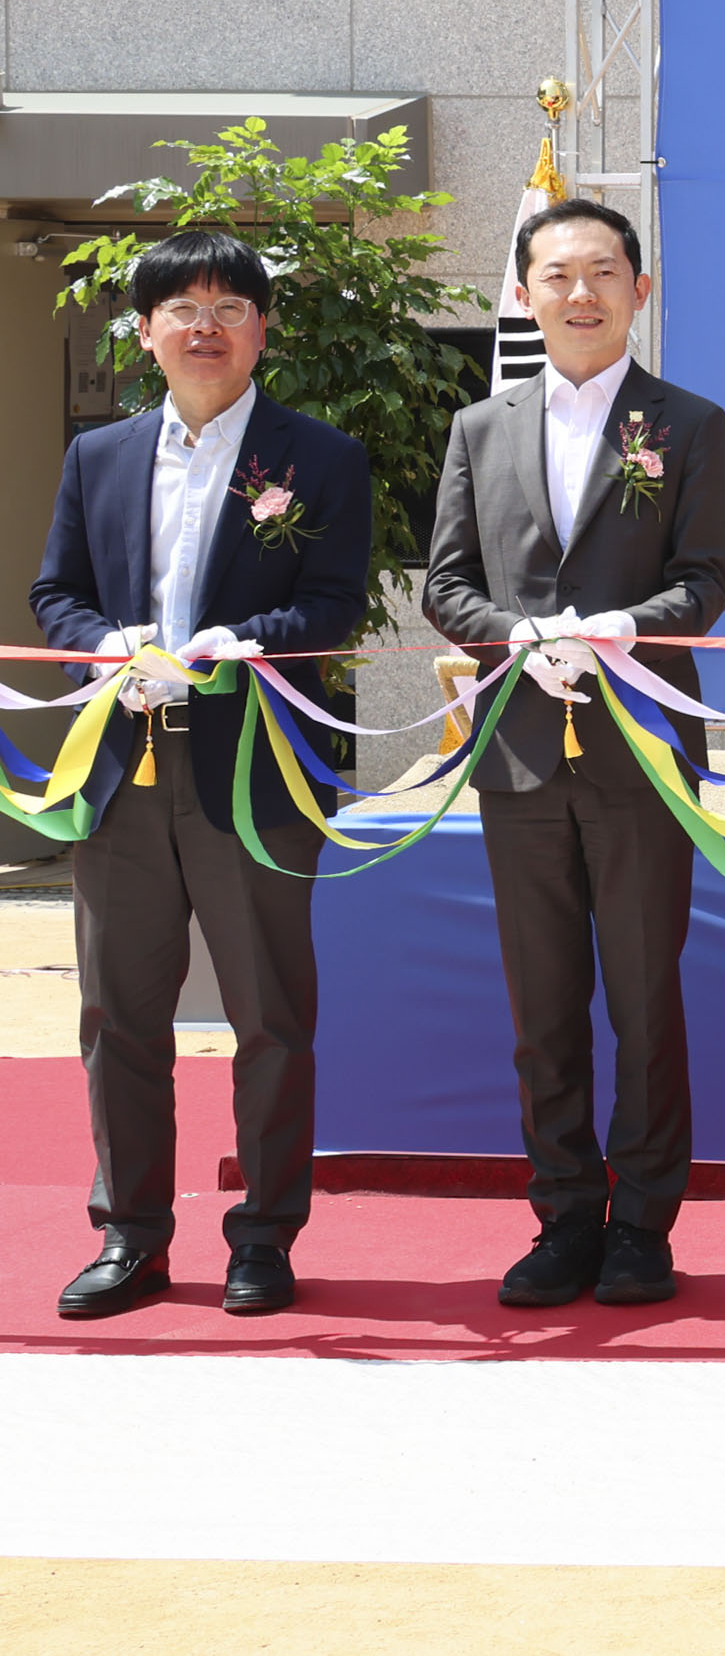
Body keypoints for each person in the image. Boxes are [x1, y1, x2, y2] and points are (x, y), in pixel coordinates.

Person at [30, 230, 371, 1319]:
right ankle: (129, 1234)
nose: (206, 324)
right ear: (145, 330)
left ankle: (264, 1236)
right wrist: (113, 644)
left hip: (252, 771)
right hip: (121, 769)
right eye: (182, 306)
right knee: (118, 1015)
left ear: (261, 328)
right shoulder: (101, 454)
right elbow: (56, 595)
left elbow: (331, 604)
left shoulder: (318, 457)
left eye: (230, 304)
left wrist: (237, 644)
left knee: (271, 1016)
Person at [421, 195, 725, 1310]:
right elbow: (444, 583)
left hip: (643, 746)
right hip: (515, 752)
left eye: (604, 272)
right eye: (556, 275)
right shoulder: (480, 428)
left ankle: (643, 1223)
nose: (581, 293)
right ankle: (562, 1217)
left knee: (645, 998)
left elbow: (703, 583)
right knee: (542, 1002)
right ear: (521, 293)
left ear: (638, 291)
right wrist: (516, 639)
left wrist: (622, 631)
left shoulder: (688, 423)